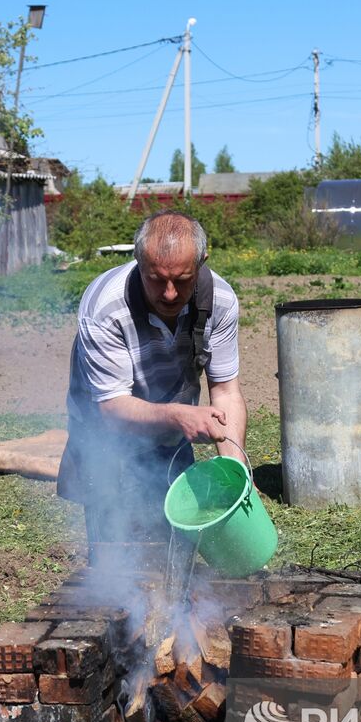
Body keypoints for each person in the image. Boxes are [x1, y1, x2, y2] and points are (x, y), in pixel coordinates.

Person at [57, 210, 247, 557]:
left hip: (172, 426)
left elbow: (225, 392)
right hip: (106, 437)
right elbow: (111, 408)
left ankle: (181, 608)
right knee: (119, 553)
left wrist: (236, 475)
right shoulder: (105, 307)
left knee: (180, 545)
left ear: (202, 262)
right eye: (156, 279)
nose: (170, 294)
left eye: (183, 280)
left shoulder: (219, 300)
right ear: (138, 261)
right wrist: (179, 417)